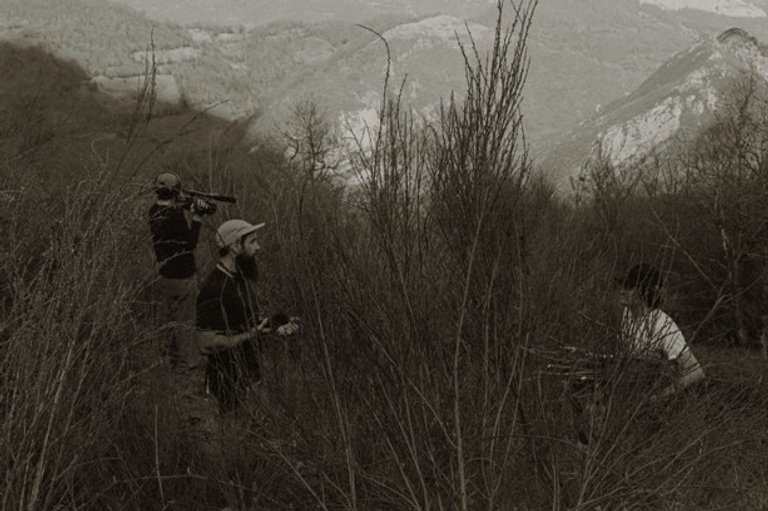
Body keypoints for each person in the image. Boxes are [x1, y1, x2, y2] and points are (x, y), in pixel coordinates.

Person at [195, 218, 299, 415]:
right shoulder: (214, 287)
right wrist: (250, 335)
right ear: (235, 246)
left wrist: (278, 324)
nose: (258, 248)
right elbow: (204, 343)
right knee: (236, 437)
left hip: (248, 378)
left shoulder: (239, 279)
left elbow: (244, 323)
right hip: (228, 384)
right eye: (252, 242)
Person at [148, 171, 211, 369]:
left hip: (166, 275)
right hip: (183, 276)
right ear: (176, 192)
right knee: (185, 320)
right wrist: (197, 217)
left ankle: (170, 358)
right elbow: (190, 243)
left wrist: (184, 204)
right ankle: (187, 362)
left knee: (169, 319)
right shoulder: (175, 217)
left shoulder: (153, 212)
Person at [618, 263, 705, 399]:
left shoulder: (662, 325)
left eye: (628, 287)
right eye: (623, 285)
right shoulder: (627, 314)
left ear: (644, 291)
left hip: (660, 404)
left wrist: (659, 397)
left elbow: (695, 372)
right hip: (634, 393)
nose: (621, 290)